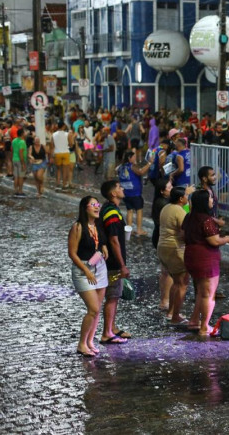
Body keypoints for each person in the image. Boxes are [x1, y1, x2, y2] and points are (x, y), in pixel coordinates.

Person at [183, 190, 229, 336]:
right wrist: (227, 239)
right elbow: (214, 240)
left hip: (191, 256)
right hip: (205, 259)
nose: (212, 200)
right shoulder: (206, 220)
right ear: (204, 202)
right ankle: (204, 327)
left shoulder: (189, 217)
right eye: (210, 198)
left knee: (201, 291)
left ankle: (194, 320)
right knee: (209, 295)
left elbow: (182, 234)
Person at [68, 196, 109, 357]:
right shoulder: (78, 227)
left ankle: (90, 341)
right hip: (83, 270)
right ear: (85, 208)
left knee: (97, 309)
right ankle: (81, 344)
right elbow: (72, 253)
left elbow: (102, 240)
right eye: (93, 205)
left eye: (98, 204)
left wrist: (103, 246)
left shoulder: (97, 224)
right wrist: (86, 270)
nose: (97, 207)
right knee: (93, 308)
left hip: (99, 267)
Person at [99, 180, 132, 344]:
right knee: (112, 296)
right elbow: (113, 240)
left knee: (115, 295)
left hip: (110, 262)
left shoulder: (109, 209)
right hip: (112, 263)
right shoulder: (111, 212)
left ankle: (113, 327)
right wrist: (122, 264)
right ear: (113, 193)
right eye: (119, 187)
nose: (122, 189)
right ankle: (107, 333)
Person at [159, 186, 191, 325]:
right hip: (175, 248)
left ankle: (172, 312)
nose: (187, 198)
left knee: (176, 281)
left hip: (163, 248)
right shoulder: (179, 211)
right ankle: (175, 316)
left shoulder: (166, 208)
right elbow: (184, 232)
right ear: (181, 198)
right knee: (182, 283)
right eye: (186, 196)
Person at [151, 177, 173, 311]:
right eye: (169, 188)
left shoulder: (161, 201)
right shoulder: (163, 204)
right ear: (162, 191)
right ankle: (165, 300)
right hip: (162, 237)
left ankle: (164, 300)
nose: (171, 189)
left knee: (165, 271)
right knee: (168, 271)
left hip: (158, 236)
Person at [117, 150, 150, 236]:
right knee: (139, 210)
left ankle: (129, 230)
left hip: (126, 192)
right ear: (129, 158)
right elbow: (141, 172)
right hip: (135, 193)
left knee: (129, 210)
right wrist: (149, 163)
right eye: (134, 157)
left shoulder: (121, 167)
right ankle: (139, 230)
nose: (135, 158)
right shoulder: (132, 166)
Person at [52, 123, 71, 189]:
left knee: (58, 169)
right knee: (65, 170)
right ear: (63, 126)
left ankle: (57, 183)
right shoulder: (67, 134)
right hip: (66, 152)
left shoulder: (54, 134)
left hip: (57, 153)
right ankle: (64, 184)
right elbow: (71, 144)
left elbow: (52, 145)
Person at [11, 126, 27, 197]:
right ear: (22, 134)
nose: (25, 133)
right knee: (21, 177)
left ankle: (15, 190)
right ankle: (20, 191)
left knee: (16, 176)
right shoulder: (22, 142)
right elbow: (21, 152)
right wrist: (23, 163)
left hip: (14, 159)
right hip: (20, 160)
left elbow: (12, 150)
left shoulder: (14, 141)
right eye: (24, 132)